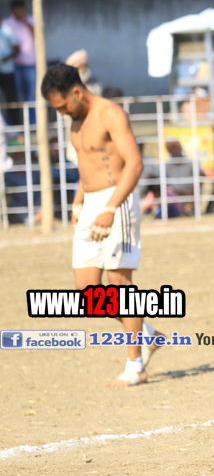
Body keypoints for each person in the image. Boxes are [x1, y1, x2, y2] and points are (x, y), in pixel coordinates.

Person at [41, 64, 162, 388]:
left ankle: (135, 366)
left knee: (120, 285)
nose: (62, 113)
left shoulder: (110, 113)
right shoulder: (75, 119)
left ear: (76, 92)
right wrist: (78, 201)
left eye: (62, 106)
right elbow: (87, 164)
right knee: (87, 295)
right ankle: (147, 334)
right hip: (91, 204)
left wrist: (110, 207)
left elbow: (134, 163)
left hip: (116, 201)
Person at [3, 0, 35, 121]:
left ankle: (33, 124)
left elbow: (38, 36)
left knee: (31, 97)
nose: (19, 11)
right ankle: (14, 125)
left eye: (21, 8)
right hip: (13, 66)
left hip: (30, 64)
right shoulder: (7, 23)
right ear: (13, 10)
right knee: (13, 97)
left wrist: (25, 21)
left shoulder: (32, 20)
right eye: (16, 8)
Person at [0, 17, 19, 125]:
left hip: (7, 70)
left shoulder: (7, 31)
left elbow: (17, 49)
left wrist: (7, 57)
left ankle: (15, 125)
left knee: (10, 98)